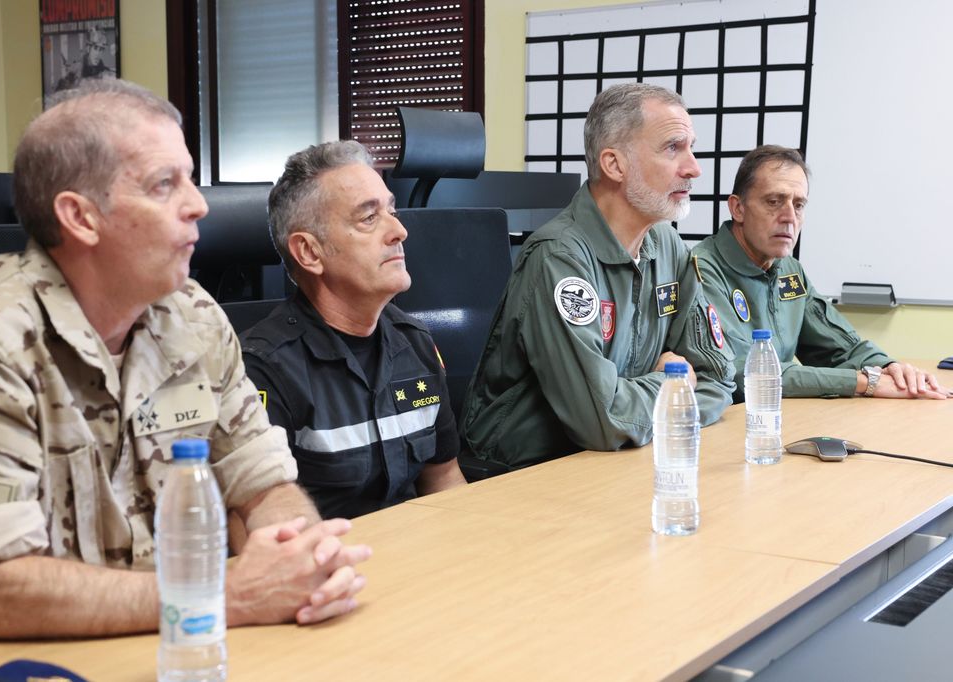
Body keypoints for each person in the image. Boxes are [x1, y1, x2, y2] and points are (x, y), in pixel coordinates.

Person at [0, 80, 370, 648]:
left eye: (189, 177)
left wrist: (305, 560)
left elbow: (263, 483)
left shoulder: (194, 317)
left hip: (173, 640)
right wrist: (229, 595)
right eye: (166, 184)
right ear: (81, 217)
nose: (199, 205)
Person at [460, 83, 736, 471]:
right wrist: (673, 384)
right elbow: (603, 421)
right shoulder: (559, 257)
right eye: (673, 148)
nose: (694, 167)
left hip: (620, 458)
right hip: (525, 475)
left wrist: (647, 408)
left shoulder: (666, 243)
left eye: (691, 147)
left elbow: (720, 376)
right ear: (614, 165)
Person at [240, 140, 466, 519]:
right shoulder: (262, 369)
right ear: (310, 252)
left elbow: (444, 478)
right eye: (368, 218)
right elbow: (259, 524)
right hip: (331, 564)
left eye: (392, 211)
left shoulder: (415, 342)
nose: (399, 231)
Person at [691, 145, 947, 401]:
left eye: (799, 204)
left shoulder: (789, 270)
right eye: (774, 201)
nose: (790, 217)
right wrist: (863, 382)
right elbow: (741, 374)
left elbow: (839, 347)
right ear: (738, 209)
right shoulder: (702, 269)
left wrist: (889, 367)